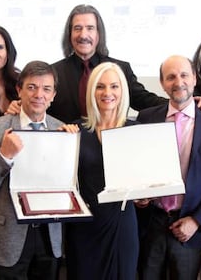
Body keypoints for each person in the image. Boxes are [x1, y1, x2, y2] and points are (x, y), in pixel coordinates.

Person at [136, 55, 201, 280]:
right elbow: (139, 166)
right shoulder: (146, 118)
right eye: (170, 77)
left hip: (190, 224)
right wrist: (139, 197)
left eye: (183, 75)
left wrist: (198, 220)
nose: (178, 82)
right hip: (152, 223)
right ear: (162, 83)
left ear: (195, 78)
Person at [0, 61, 64, 279]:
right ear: (19, 90)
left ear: (53, 95)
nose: (38, 94)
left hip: (49, 238)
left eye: (46, 89)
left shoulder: (63, 132)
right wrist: (3, 156)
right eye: (31, 87)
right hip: (8, 238)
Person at [65, 62, 139, 280]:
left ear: (122, 91)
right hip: (85, 226)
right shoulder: (75, 131)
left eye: (114, 86)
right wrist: (62, 142)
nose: (107, 93)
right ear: (92, 91)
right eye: (100, 86)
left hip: (122, 223)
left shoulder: (136, 131)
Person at [48, 4, 168, 123]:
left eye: (90, 28)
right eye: (77, 28)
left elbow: (146, 101)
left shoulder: (120, 70)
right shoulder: (53, 73)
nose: (83, 35)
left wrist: (179, 105)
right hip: (68, 139)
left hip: (114, 139)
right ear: (69, 34)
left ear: (99, 33)